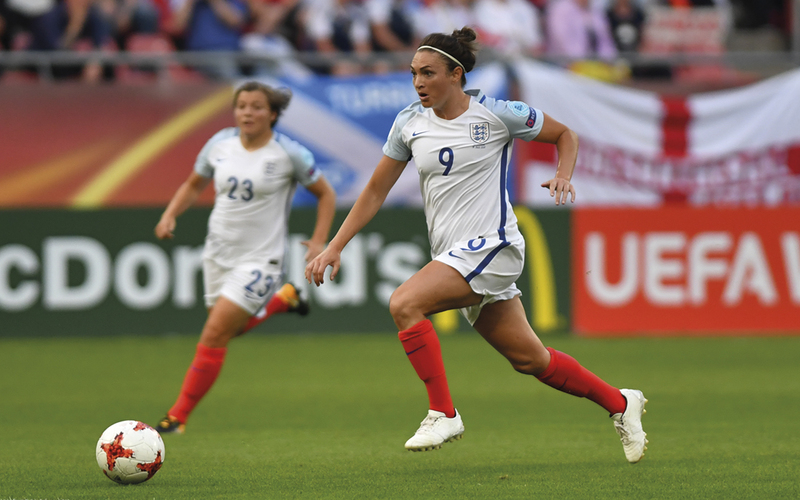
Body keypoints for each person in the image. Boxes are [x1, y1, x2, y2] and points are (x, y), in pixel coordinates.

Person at [305, 27, 648, 463]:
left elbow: (566, 135)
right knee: (531, 360)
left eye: (428, 73)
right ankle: (621, 403)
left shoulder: (497, 114)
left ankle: (443, 412)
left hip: (494, 247)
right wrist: (335, 246)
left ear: (456, 74)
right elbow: (374, 191)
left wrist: (564, 173)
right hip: (454, 255)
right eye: (413, 74)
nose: (418, 83)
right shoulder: (409, 123)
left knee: (404, 303)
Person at [155, 81, 337, 434]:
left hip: (261, 259)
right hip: (218, 253)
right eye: (241, 106)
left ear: (272, 114)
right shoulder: (219, 144)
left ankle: (177, 416)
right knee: (225, 332)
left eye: (256, 107)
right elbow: (194, 184)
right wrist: (169, 214)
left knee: (213, 334)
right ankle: (283, 300)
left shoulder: (289, 154)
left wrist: (319, 241)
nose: (247, 113)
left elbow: (325, 194)